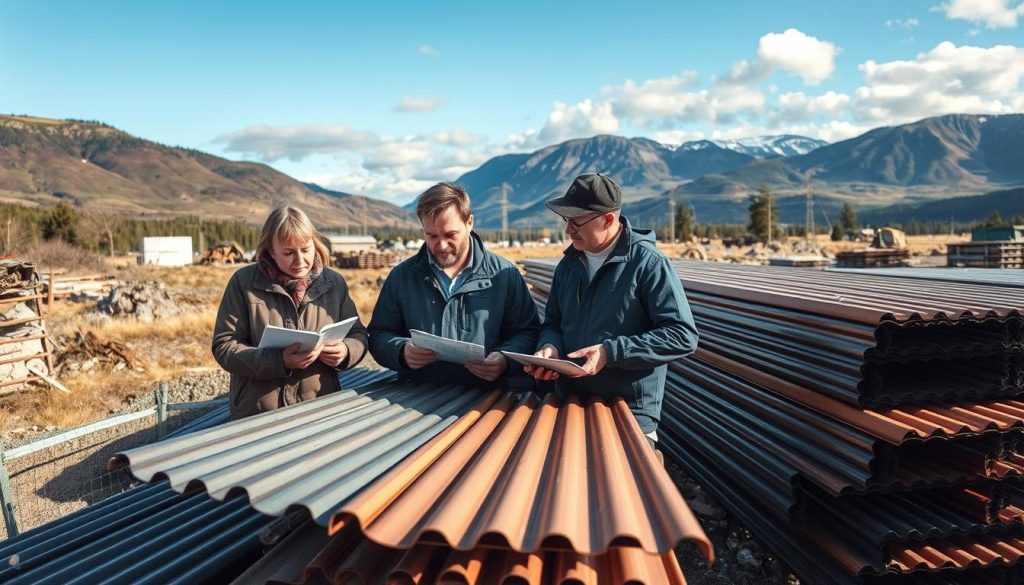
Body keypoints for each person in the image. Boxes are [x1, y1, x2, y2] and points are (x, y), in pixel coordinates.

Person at [526, 173, 699, 445]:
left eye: (576, 222)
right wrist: (550, 347)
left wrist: (611, 352)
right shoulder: (568, 266)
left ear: (608, 219)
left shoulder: (648, 264)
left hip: (628, 411)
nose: (568, 230)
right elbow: (553, 323)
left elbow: (682, 335)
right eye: (565, 220)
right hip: (570, 402)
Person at [368, 182, 539, 389]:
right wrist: (401, 351)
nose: (440, 245)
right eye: (431, 235)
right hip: (416, 399)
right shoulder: (402, 276)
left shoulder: (505, 276)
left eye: (450, 235)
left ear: (469, 223)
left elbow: (528, 332)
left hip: (488, 401)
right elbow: (379, 334)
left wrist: (505, 360)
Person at [213, 203, 368, 419]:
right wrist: (279, 361)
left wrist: (345, 351)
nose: (300, 260)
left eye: (306, 250)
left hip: (319, 407)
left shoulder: (334, 283)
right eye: (288, 253)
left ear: (315, 243)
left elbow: (358, 334)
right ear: (270, 252)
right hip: (258, 414)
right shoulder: (243, 283)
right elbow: (224, 346)